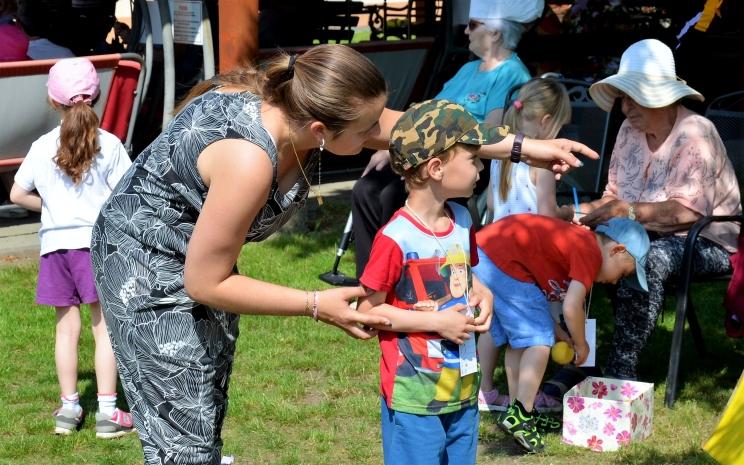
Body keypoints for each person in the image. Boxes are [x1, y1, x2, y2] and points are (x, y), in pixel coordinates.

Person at [89, 43, 595, 464]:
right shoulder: (248, 159)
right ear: (320, 133)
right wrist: (316, 304)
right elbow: (206, 282)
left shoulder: (301, 105)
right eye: (368, 126)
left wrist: (523, 148)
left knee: (202, 408)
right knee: (183, 439)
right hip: (142, 266)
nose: (382, 132)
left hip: (194, 253)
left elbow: (415, 128)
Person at [569, 38, 742, 382]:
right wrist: (577, 214)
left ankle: (620, 369)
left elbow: (688, 213)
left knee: (643, 256)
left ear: (661, 96)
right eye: (623, 97)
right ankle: (577, 361)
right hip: (645, 231)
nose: (624, 108)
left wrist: (626, 211)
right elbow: (614, 196)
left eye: (633, 97)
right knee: (577, 245)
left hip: (709, 239)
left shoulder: (696, 133)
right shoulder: (628, 131)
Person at [351, 0, 536, 279]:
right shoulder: (468, 69)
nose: (465, 33)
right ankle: (370, 279)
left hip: (462, 160)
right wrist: (395, 146)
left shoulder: (512, 73)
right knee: (365, 189)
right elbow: (427, 116)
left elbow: (492, 128)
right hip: (430, 154)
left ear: (496, 33)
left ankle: (404, 277)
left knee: (390, 194)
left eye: (472, 25)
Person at [356, 99, 494, 465]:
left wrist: (483, 292)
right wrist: (437, 322)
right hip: (415, 396)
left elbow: (467, 277)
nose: (481, 168)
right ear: (436, 167)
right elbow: (369, 311)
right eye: (473, 159)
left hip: (463, 390)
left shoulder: (463, 219)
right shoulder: (395, 239)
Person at [9, 57, 134, 438]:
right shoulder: (109, 144)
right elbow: (127, 195)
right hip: (97, 246)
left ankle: (69, 410)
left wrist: (51, 207)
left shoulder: (41, 146)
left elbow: (17, 192)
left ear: (52, 101)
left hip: (56, 247)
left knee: (66, 330)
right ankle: (108, 413)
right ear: (96, 95)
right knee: (104, 329)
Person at [475, 214, 650, 453]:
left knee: (521, 341)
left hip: (487, 253)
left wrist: (559, 333)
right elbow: (571, 307)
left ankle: (519, 411)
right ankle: (522, 415)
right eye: (623, 274)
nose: (616, 282)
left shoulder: (579, 244)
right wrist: (581, 344)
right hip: (500, 258)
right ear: (617, 250)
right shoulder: (590, 251)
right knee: (538, 341)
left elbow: (539, 312)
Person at [477, 77, 573, 413]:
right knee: (534, 333)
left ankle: (486, 390)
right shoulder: (542, 165)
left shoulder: (500, 155)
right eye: (560, 126)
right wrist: (567, 214)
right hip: (522, 262)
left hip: (489, 252)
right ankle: (524, 403)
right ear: (547, 122)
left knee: (493, 325)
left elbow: (490, 206)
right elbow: (546, 218)